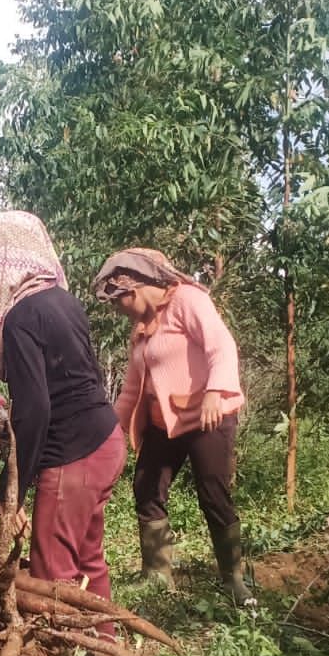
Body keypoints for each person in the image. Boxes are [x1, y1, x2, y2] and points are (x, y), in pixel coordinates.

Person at [0, 211, 124, 607]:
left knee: (52, 568)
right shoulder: (65, 301)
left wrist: (15, 492)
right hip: (106, 440)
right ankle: (103, 655)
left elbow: (36, 409)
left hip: (74, 454)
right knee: (89, 558)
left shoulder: (21, 317)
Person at [94, 245, 251, 602]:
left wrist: (215, 390)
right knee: (147, 488)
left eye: (119, 301)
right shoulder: (140, 328)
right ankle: (158, 575)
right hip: (163, 425)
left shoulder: (188, 301)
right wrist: (112, 431)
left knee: (213, 493)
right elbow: (133, 389)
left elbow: (221, 347)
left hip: (206, 416)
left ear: (134, 290)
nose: (118, 310)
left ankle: (234, 579)